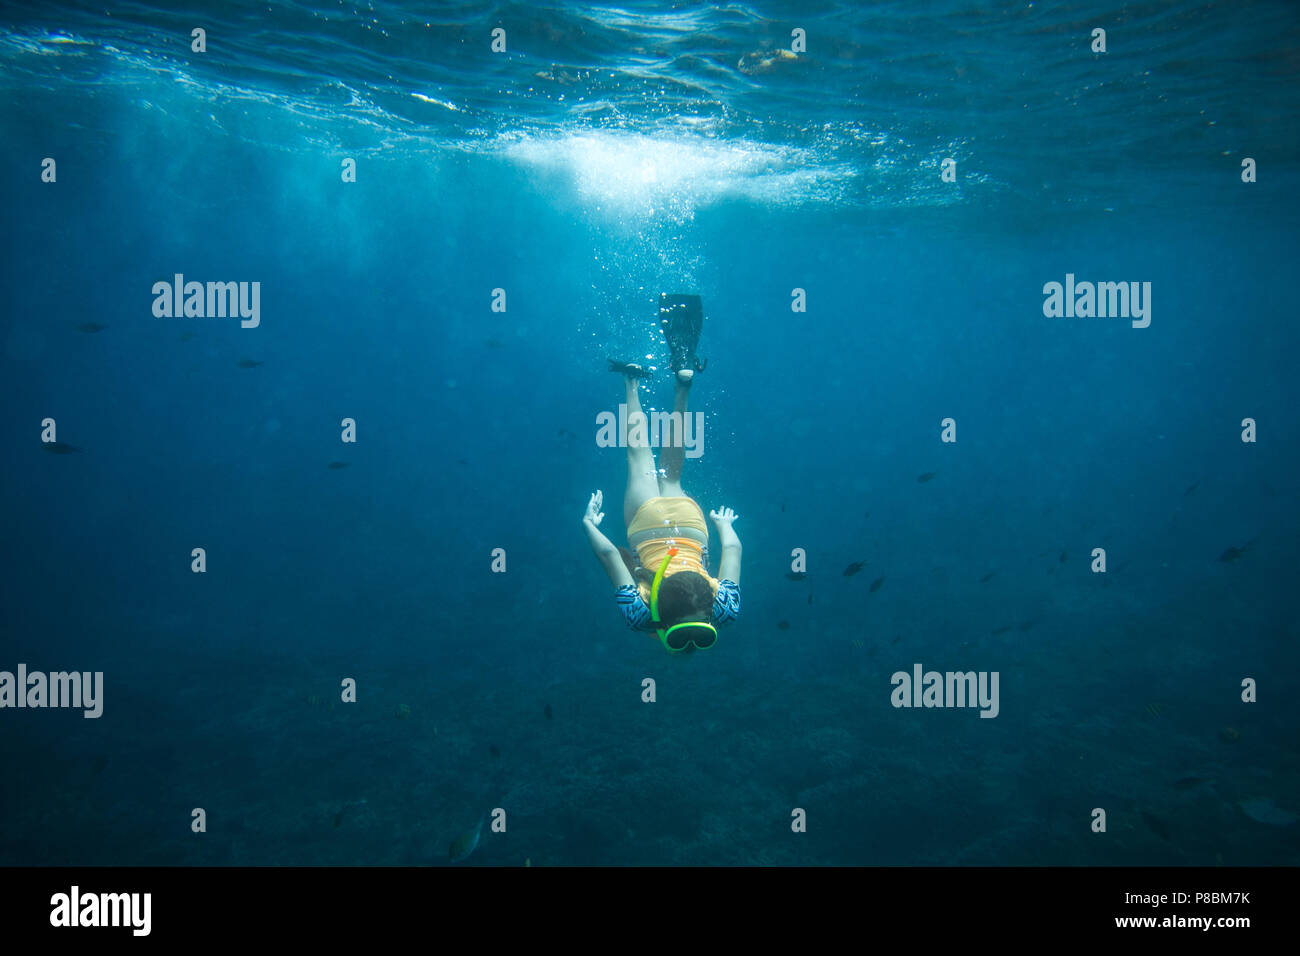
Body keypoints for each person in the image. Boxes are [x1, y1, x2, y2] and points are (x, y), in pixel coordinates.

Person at [583, 294, 742, 653]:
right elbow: (609, 555)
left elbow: (732, 546)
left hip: (691, 527)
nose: (690, 645)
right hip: (647, 529)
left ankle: (682, 387)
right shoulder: (639, 616)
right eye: (701, 638)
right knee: (640, 460)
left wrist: (724, 524)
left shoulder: (725, 610)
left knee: (671, 474)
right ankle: (631, 381)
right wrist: (589, 525)